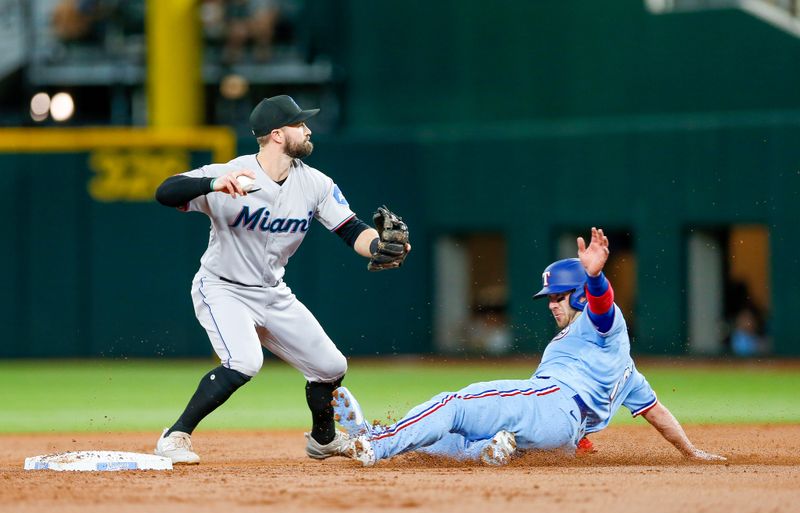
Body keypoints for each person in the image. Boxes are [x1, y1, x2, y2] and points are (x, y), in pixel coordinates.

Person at [152, 95, 410, 464]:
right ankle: (175, 436)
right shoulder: (232, 173)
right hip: (222, 287)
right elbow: (165, 192)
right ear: (276, 134)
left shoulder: (316, 184)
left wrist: (381, 246)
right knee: (244, 362)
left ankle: (323, 439)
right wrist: (211, 184)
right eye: (299, 124)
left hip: (273, 293)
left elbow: (352, 230)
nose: (307, 130)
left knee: (331, 367)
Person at [332, 227, 725, 466]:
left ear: (580, 295)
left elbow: (604, 307)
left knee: (452, 405)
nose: (552, 304)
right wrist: (691, 453)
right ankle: (488, 452)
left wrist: (596, 277)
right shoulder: (629, 373)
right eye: (549, 298)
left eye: (558, 297)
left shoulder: (599, 323)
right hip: (562, 438)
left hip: (549, 402)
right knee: (456, 442)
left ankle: (375, 441)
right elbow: (656, 413)